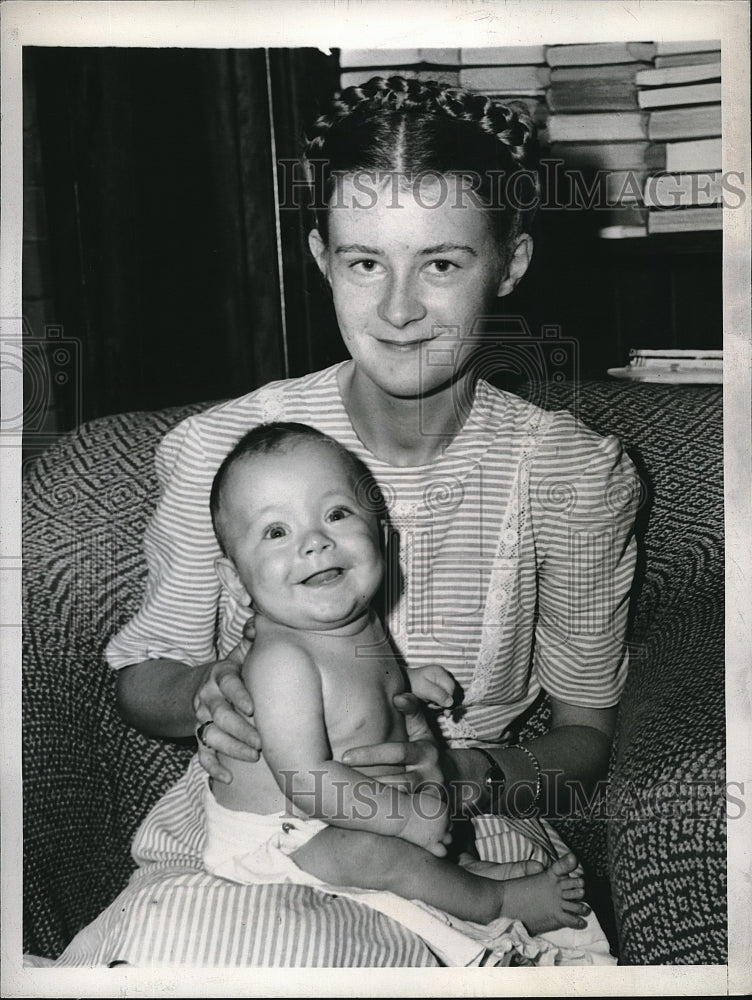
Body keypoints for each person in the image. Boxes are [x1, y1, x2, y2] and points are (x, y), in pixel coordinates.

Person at [57, 75, 639, 967]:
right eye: (366, 261)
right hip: (252, 848)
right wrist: (212, 686)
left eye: (441, 263)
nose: (399, 309)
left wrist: (462, 778)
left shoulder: (573, 475)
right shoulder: (223, 446)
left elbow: (587, 736)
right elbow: (143, 679)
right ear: (323, 258)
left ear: (512, 261)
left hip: (458, 848)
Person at [200, 419, 590, 958]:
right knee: (380, 852)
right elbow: (306, 779)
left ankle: (460, 873)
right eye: (275, 531)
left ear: (383, 538)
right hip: (280, 835)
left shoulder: (357, 624)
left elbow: (347, 690)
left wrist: (404, 682)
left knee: (402, 841)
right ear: (235, 578)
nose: (315, 541)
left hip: (345, 811)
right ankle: (494, 901)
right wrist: (404, 817)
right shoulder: (281, 659)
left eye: (336, 514)